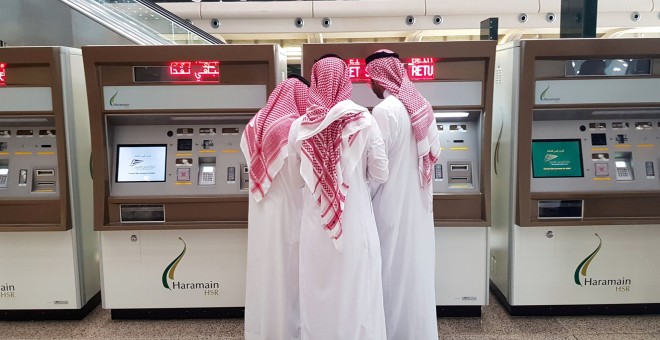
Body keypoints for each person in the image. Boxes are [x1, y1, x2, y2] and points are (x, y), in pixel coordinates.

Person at [288, 55, 389, 340]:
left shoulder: (299, 127)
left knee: (317, 294)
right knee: (358, 293)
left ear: (315, 81)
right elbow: (381, 171)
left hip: (315, 222)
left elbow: (297, 179)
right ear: (346, 81)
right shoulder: (364, 119)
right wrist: (354, 188)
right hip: (355, 221)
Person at [365, 49, 441, 340]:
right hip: (419, 206)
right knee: (416, 273)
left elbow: (376, 166)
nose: (369, 85)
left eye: (370, 78)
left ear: (378, 77)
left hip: (390, 206)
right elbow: (434, 153)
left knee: (391, 275)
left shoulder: (386, 111)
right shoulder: (422, 105)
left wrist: (362, 197)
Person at [240, 74, 310, 340]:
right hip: (289, 211)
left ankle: (262, 331)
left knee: (264, 272)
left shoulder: (254, 124)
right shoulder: (294, 128)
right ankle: (288, 332)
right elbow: (301, 177)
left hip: (261, 213)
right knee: (288, 275)